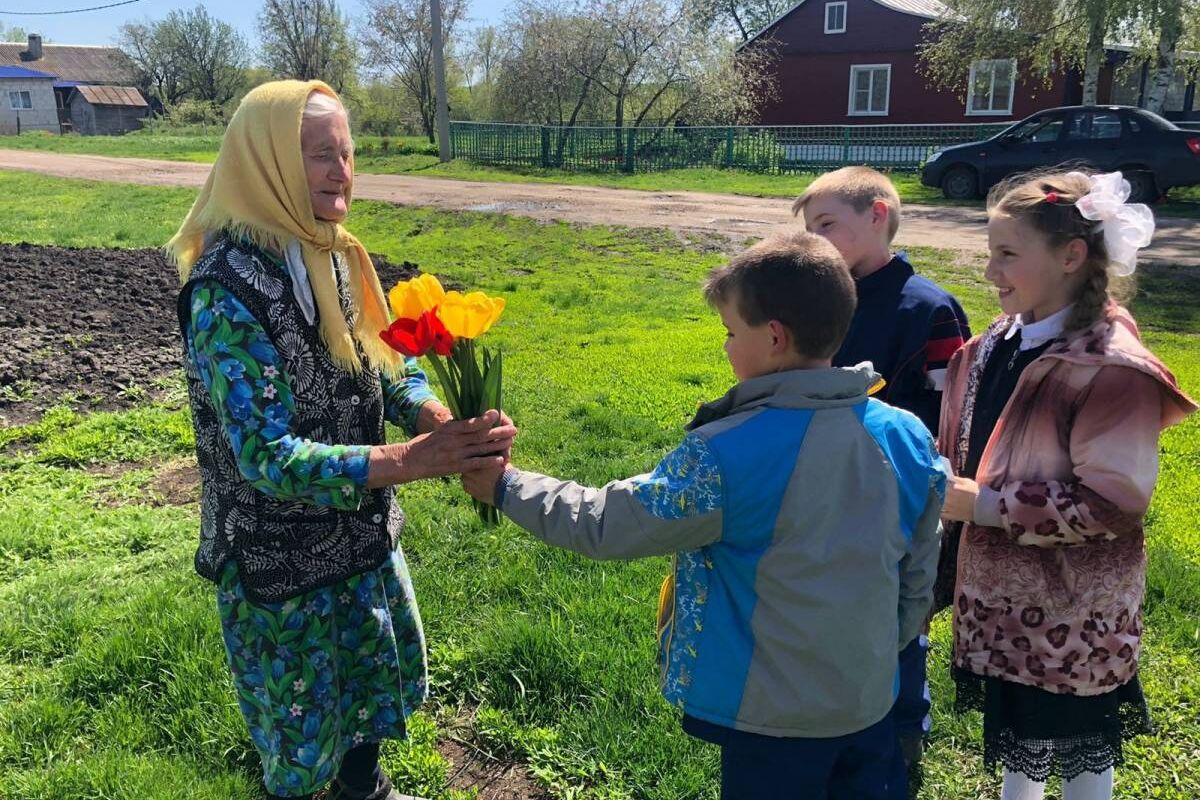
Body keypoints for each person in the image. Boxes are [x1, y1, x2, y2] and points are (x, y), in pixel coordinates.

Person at [463, 232, 947, 800]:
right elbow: (920, 564)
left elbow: (606, 522)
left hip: (771, 723)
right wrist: (885, 650)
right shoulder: (906, 435)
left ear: (772, 337)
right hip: (869, 702)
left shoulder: (725, 455)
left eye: (729, 332)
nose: (725, 346)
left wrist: (506, 485)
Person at [169, 80, 515, 800]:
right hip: (278, 561)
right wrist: (408, 461)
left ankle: (370, 791)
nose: (341, 171)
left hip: (357, 541)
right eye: (319, 155)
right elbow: (265, 456)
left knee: (365, 700)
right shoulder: (224, 290)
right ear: (265, 163)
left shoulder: (333, 256)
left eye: (347, 153)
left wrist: (430, 417)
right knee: (300, 744)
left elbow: (386, 368)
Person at [938, 170, 1196, 800]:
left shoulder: (1109, 369)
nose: (991, 270)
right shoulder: (1001, 341)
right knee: (1021, 743)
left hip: (1073, 610)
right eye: (990, 252)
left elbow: (1113, 503)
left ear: (1071, 256)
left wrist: (987, 506)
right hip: (1006, 600)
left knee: (1080, 751)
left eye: (1007, 254)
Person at [793, 165, 971, 788]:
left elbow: (954, 415)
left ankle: (899, 739)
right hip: (822, 486)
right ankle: (831, 721)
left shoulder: (929, 308)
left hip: (896, 490)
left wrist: (939, 488)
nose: (815, 240)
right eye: (808, 229)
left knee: (899, 612)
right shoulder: (821, 300)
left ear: (877, 215)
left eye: (826, 225)